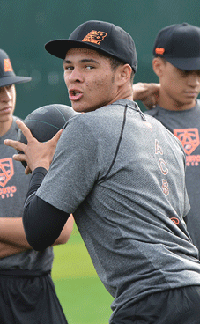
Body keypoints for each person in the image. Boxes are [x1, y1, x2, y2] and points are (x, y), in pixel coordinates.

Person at [4, 20, 200, 324]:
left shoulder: (85, 127)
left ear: (124, 74)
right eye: (69, 67)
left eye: (89, 67)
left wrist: (42, 165)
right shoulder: (166, 135)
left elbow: (39, 231)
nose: (75, 77)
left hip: (152, 302)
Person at [0, 49, 73, 324]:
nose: (6, 96)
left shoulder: (38, 138)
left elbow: (61, 229)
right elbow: (45, 231)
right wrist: (34, 235)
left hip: (36, 293)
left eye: (9, 86)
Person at [133, 23, 200, 257]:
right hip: (167, 267)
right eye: (185, 72)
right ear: (157, 66)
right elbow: (79, 126)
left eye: (199, 72)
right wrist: (130, 94)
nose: (194, 82)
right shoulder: (139, 125)